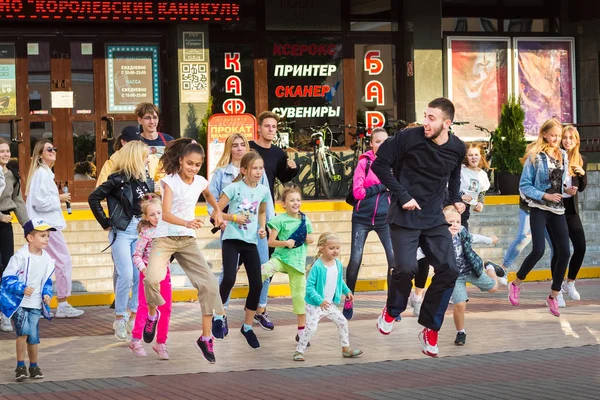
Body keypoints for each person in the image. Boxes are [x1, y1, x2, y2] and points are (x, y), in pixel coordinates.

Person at [371, 97, 466, 358]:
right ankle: (393, 309)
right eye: (425, 116)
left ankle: (429, 328)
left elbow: (454, 172)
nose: (426, 122)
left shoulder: (457, 147)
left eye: (432, 118)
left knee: (449, 270)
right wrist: (402, 195)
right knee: (406, 268)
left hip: (434, 217)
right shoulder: (407, 138)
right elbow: (379, 164)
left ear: (447, 123)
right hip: (404, 216)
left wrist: (456, 197)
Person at [142, 138, 224, 364]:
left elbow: (208, 195)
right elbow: (165, 213)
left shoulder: (200, 181)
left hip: (187, 241)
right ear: (180, 161)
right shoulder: (169, 182)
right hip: (165, 238)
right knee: (151, 279)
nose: (193, 168)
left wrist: (217, 211)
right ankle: (152, 315)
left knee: (209, 283)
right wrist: (187, 223)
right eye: (189, 163)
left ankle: (206, 337)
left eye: (197, 165)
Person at [208, 133, 275, 331]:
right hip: (231, 230)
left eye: (242, 145)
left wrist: (269, 226)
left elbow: (266, 201)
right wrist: (220, 220)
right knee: (229, 274)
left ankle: (259, 311)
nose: (239, 148)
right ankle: (222, 312)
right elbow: (213, 205)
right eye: (235, 145)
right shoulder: (221, 173)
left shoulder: (258, 171)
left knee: (264, 270)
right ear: (229, 149)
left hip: (255, 231)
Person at [88, 141, 154, 340]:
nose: (147, 160)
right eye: (144, 156)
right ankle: (120, 318)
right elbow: (93, 198)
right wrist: (105, 222)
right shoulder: (117, 180)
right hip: (122, 232)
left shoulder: (147, 180)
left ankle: (133, 317)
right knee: (125, 274)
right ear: (135, 157)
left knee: (138, 275)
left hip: (140, 231)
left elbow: (151, 204)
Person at [508, 118, 572, 317]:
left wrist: (568, 190)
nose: (556, 139)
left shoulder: (563, 155)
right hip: (538, 208)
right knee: (538, 249)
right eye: (553, 135)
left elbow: (560, 185)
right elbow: (524, 186)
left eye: (559, 136)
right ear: (544, 134)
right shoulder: (535, 157)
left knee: (564, 252)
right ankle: (516, 282)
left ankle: (553, 295)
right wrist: (545, 195)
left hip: (557, 209)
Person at [214, 151, 270, 350]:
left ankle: (247, 327)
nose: (258, 172)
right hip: (232, 240)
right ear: (244, 170)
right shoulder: (233, 188)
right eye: (254, 168)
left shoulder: (263, 190)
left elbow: (261, 211)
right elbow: (216, 212)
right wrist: (233, 218)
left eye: (260, 168)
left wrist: (262, 227)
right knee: (229, 278)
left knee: (257, 283)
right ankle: (218, 315)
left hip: (250, 242)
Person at [25, 140, 84, 318]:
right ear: (40, 154)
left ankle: (39, 303)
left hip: (42, 226)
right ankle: (63, 303)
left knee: (44, 264)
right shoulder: (42, 175)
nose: (53, 152)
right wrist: (59, 198)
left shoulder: (43, 174)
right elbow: (39, 202)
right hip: (46, 226)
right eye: (48, 149)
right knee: (63, 260)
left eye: (54, 149)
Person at [343, 127, 393, 320]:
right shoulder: (364, 163)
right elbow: (358, 193)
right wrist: (382, 187)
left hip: (385, 219)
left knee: (394, 261)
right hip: (362, 218)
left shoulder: (393, 163)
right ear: (371, 144)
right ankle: (349, 299)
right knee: (355, 259)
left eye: (384, 141)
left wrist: (377, 188)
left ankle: (391, 307)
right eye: (377, 141)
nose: (381, 144)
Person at [0, 219, 55, 381]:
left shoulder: (47, 259)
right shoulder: (20, 257)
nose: (46, 239)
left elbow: (47, 281)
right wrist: (21, 288)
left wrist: (47, 294)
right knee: (23, 333)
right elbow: (7, 278)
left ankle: (34, 365)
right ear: (30, 238)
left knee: (34, 336)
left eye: (48, 236)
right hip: (20, 303)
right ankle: (20, 366)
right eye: (43, 235)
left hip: (35, 304)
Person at [294, 232, 362, 362]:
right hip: (315, 305)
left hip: (329, 304)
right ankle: (299, 351)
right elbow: (309, 287)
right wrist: (319, 301)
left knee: (342, 322)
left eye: (337, 248)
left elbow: (339, 281)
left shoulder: (337, 264)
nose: (335, 251)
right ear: (321, 248)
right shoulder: (317, 266)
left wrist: (347, 291)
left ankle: (346, 349)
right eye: (331, 248)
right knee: (311, 329)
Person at [441, 206, 501, 346]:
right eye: (451, 222)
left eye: (457, 221)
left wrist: (489, 240)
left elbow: (474, 238)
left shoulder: (462, 233)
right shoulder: (439, 238)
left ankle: (490, 267)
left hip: (471, 269)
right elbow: (423, 251)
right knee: (460, 304)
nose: (455, 225)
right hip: (455, 276)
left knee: (493, 288)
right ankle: (461, 332)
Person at [262, 184, 314, 345]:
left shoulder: (305, 219)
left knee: (300, 298)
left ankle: (301, 332)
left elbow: (311, 237)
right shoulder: (278, 220)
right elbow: (271, 242)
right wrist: (286, 242)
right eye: (291, 200)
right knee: (263, 270)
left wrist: (308, 239)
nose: (296, 203)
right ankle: (257, 305)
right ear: (283, 204)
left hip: (297, 264)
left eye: (298, 200)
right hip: (281, 259)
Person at [130, 193, 172, 359]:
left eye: (159, 213)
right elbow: (136, 256)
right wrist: (144, 269)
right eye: (152, 214)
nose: (156, 217)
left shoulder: (168, 230)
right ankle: (135, 340)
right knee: (144, 305)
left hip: (164, 272)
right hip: (147, 273)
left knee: (166, 307)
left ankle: (161, 343)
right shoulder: (146, 233)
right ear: (146, 217)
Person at [555, 125, 587, 305]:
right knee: (560, 251)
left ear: (576, 141)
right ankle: (556, 289)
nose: (567, 140)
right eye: (565, 137)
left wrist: (582, 175)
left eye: (571, 138)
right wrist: (564, 189)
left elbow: (582, 187)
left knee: (580, 247)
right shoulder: (555, 157)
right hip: (555, 206)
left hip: (571, 209)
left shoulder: (581, 159)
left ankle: (570, 283)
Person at [0, 138, 30, 332]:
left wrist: (28, 226)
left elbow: (17, 201)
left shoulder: (11, 174)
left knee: (7, 269)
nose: (5, 154)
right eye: (1, 151)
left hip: (5, 226)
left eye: (7, 151)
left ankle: (4, 314)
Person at [250, 111, 299, 199]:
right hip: (245, 202)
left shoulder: (278, 153)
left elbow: (283, 178)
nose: (271, 129)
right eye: (267, 126)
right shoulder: (247, 148)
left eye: (274, 126)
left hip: (267, 203)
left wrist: (293, 168)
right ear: (259, 128)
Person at [96, 126, 160, 187]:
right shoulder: (112, 163)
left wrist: (154, 187)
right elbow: (101, 188)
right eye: (132, 143)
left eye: (139, 142)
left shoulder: (153, 160)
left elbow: (163, 182)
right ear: (123, 142)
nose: (136, 146)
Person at [459, 143, 491, 230]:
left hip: (466, 209)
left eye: (476, 154)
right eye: (470, 155)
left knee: (463, 232)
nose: (474, 157)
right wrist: (461, 195)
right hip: (453, 206)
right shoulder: (460, 170)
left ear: (480, 156)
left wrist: (480, 202)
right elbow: (449, 186)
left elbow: (482, 191)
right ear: (466, 157)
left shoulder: (482, 174)